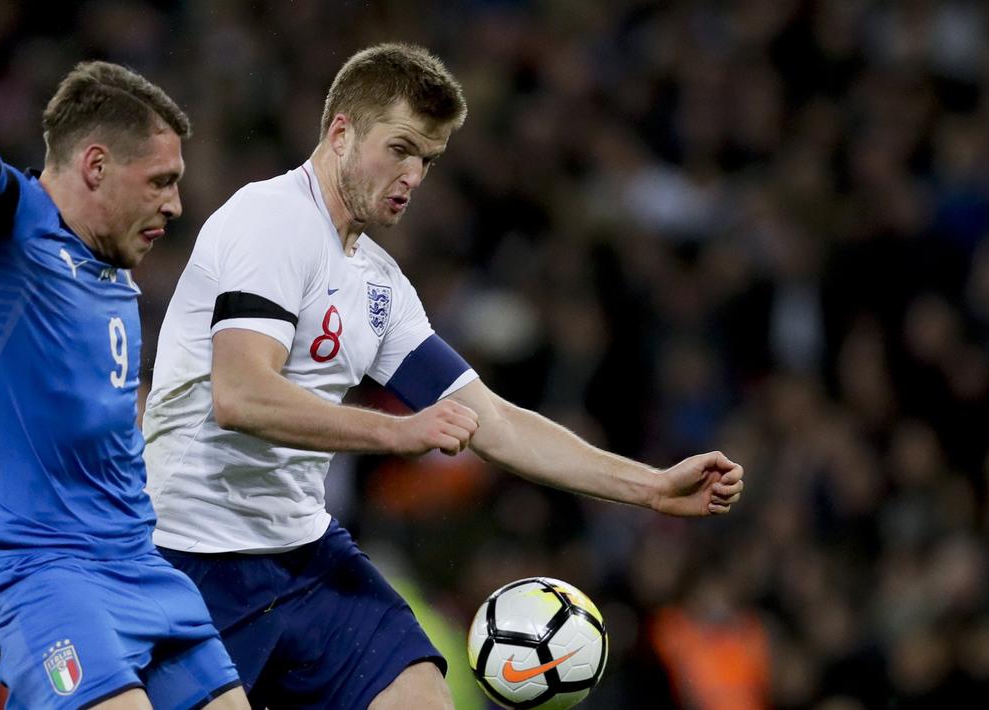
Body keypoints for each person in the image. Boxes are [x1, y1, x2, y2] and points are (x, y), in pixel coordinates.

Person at [143, 42, 745, 709]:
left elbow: (492, 419)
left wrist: (650, 486)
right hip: (190, 555)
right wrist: (397, 434)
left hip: (301, 551)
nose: (413, 176)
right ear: (340, 132)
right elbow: (242, 395)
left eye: (426, 159)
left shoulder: (377, 284)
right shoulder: (269, 222)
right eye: (399, 148)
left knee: (421, 696)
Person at [0, 1, 251, 708]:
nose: (177, 205)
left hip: (140, 568)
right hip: (43, 579)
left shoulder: (113, 274)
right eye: (161, 181)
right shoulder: (5, 233)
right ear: (95, 166)